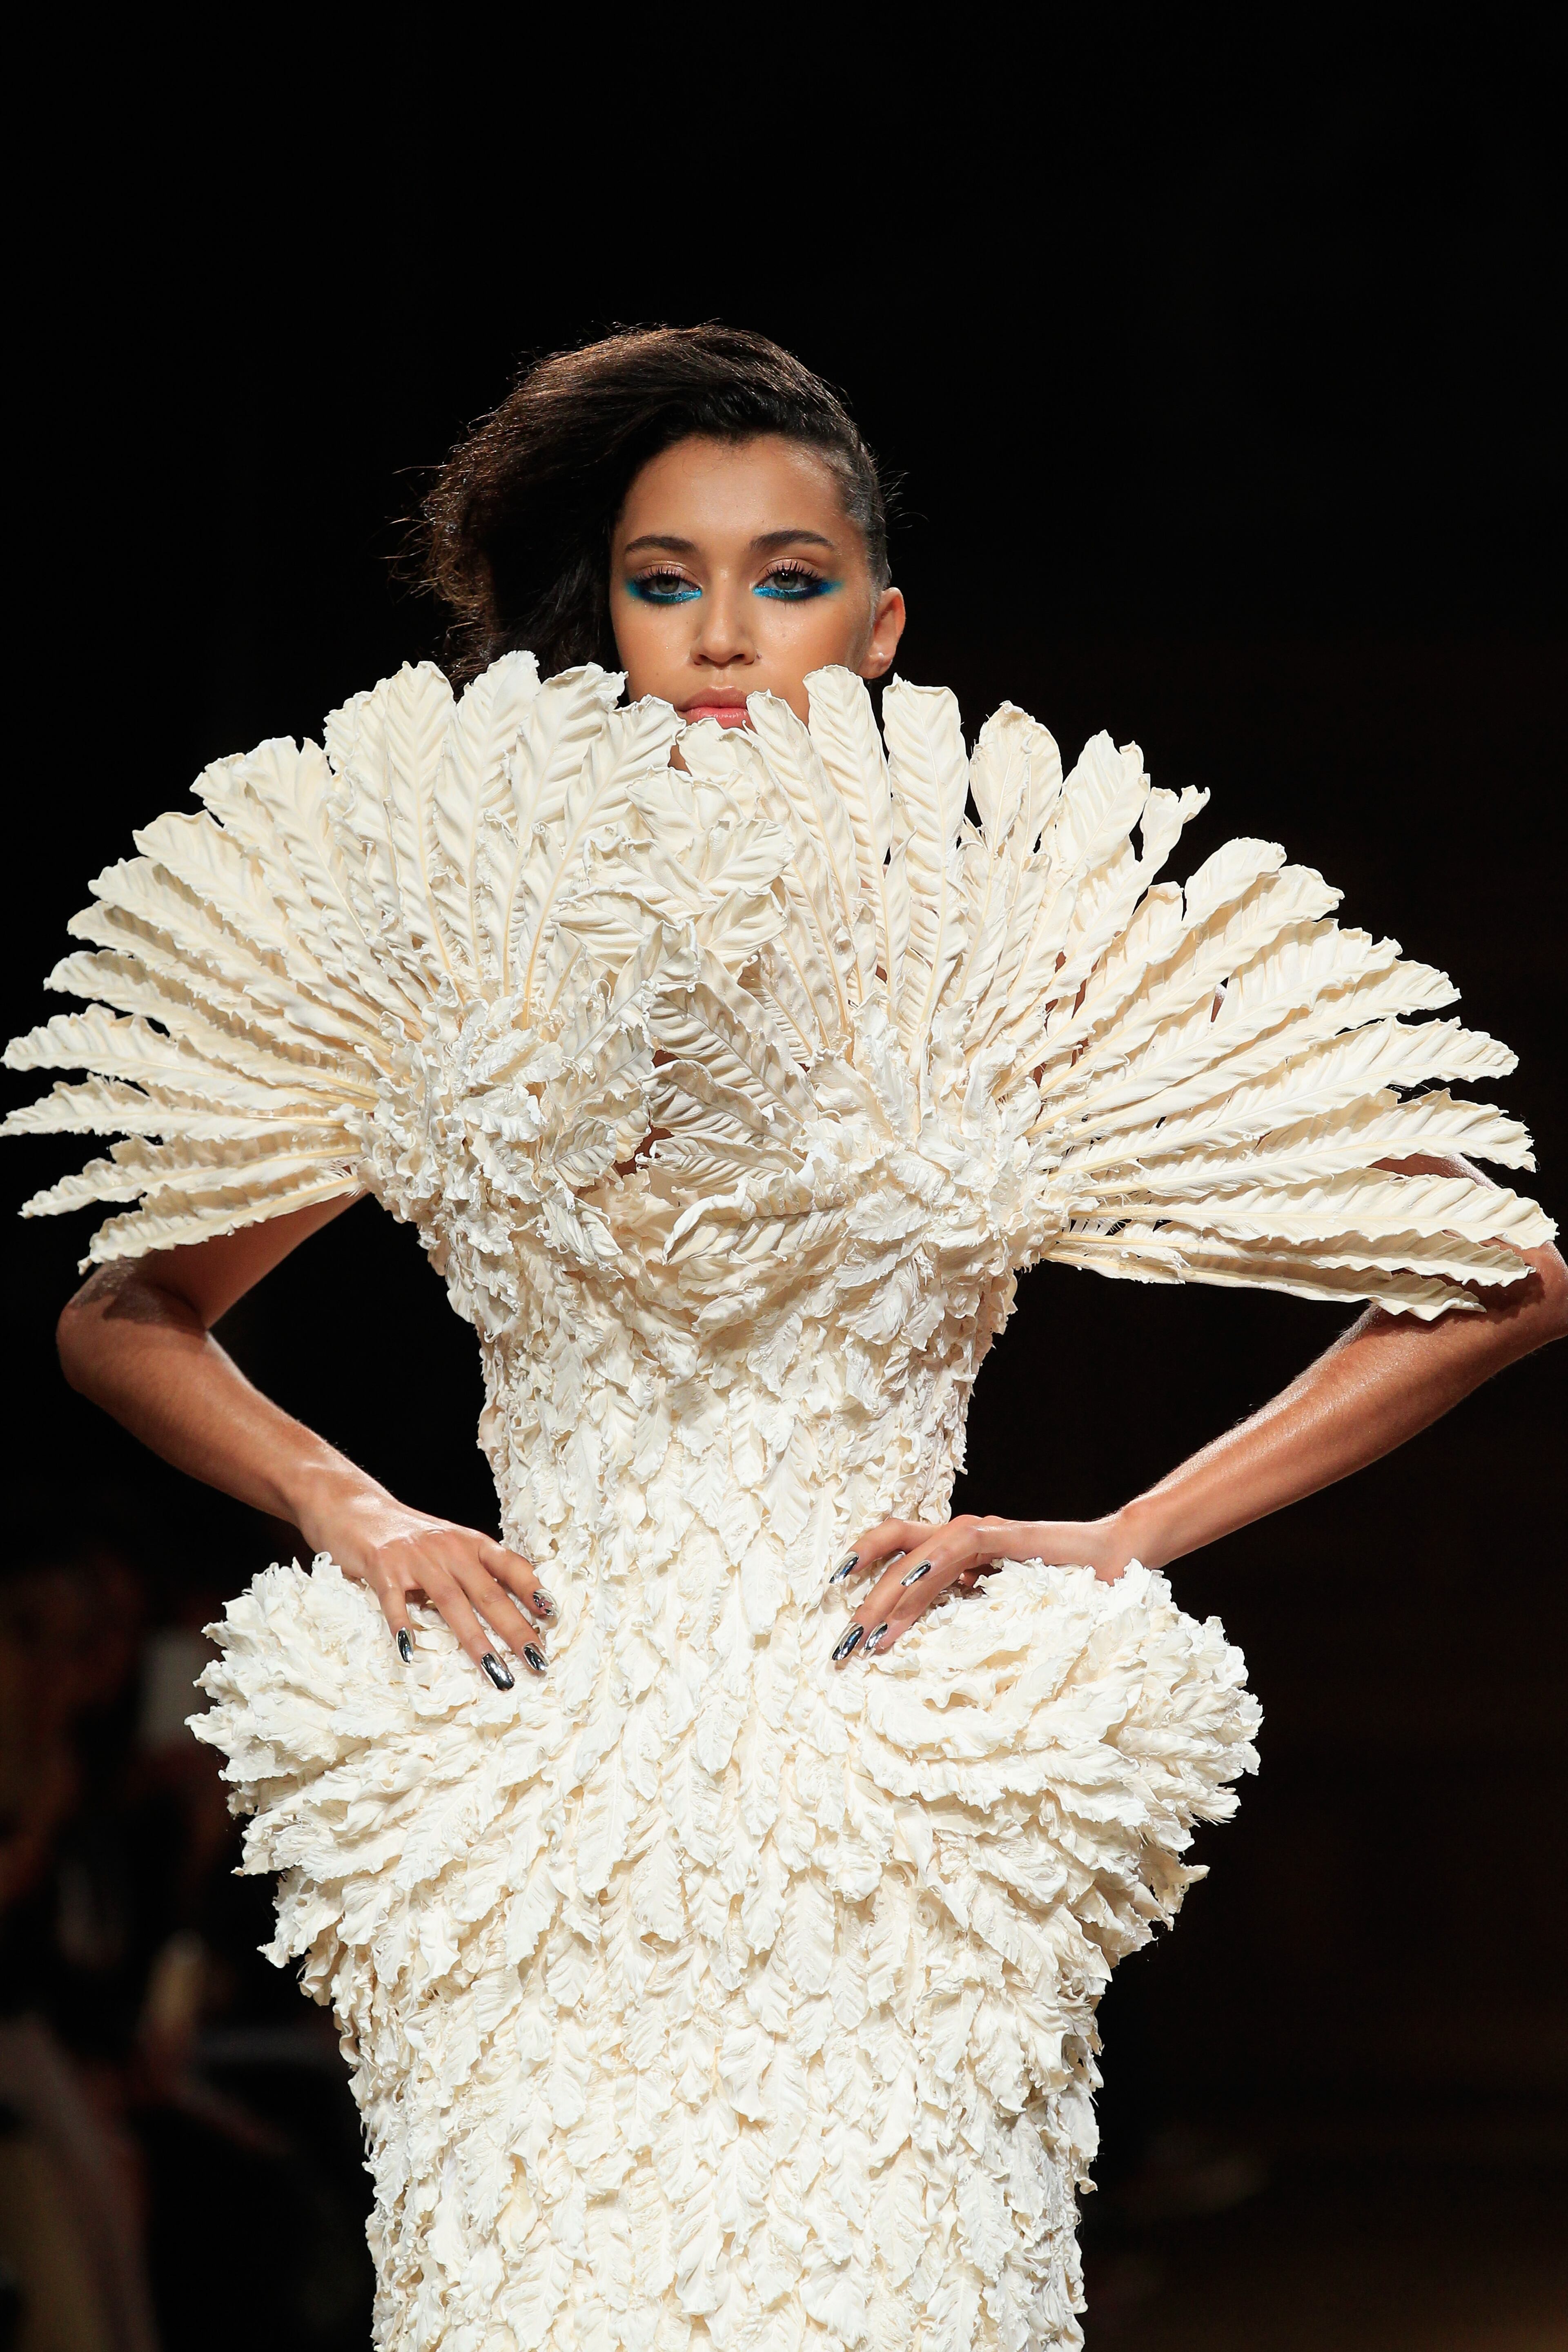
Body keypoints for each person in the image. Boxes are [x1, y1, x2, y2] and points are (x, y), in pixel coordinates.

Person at [6, 325, 1562, 2350]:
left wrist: (1121, 1539)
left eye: (788, 577)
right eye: (668, 581)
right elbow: (129, 1317)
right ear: (615, 614)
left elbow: (1499, 1278)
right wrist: (359, 1512)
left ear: (883, 623)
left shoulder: (1010, 935)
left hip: (891, 1811)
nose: (725, 634)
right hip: (533, 1805)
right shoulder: (458, 942)